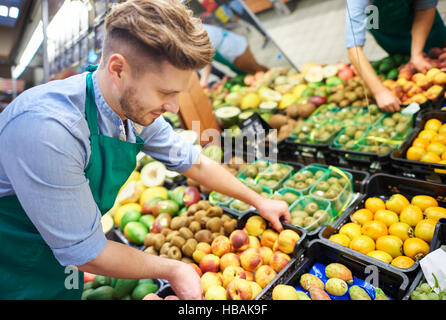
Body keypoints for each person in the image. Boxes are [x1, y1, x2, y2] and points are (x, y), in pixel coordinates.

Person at [0, 0, 290, 300]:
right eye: (165, 93)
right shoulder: (50, 130)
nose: (174, 107)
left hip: (56, 261)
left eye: (179, 93)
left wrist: (259, 200)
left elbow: (192, 161)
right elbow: (85, 252)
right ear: (118, 70)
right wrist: (173, 269)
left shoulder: (128, 109)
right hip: (13, 271)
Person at [345, 0, 446, 112]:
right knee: (401, 60)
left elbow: (425, 7)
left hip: (428, 30)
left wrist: (416, 54)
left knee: (438, 54)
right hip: (391, 37)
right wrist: (380, 92)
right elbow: (354, 49)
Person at [199, 23, 268, 88]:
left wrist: (204, 79)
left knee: (258, 72)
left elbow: (206, 59)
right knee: (251, 75)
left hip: (235, 50)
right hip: (230, 53)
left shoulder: (195, 33)